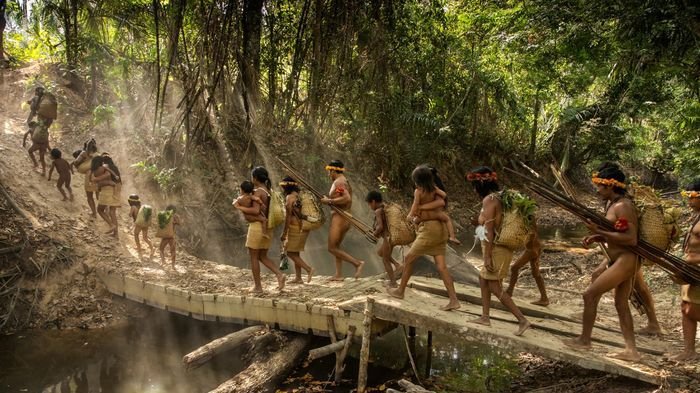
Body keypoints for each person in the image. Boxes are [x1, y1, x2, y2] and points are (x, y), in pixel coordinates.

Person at [563, 163, 641, 361]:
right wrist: (598, 238)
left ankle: (584, 340)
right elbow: (615, 234)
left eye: (600, 186)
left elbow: (631, 239)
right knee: (621, 304)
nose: (597, 190)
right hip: (618, 258)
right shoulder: (611, 205)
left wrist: (599, 232)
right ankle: (631, 351)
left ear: (611, 186)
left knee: (589, 295)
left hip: (626, 259)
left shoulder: (624, 206)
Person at [466, 167, 531, 336]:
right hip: (498, 247)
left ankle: (522, 320)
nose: (473, 189)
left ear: (479, 185)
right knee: (483, 279)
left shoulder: (489, 199)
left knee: (494, 286)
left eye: (474, 185)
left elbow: (489, 230)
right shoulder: (500, 197)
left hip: (495, 248)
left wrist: (487, 256)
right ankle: (485, 317)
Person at [387, 165, 461, 311]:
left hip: (429, 231)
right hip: (439, 230)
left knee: (408, 259)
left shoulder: (419, 191)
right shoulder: (435, 190)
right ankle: (454, 300)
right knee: (441, 266)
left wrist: (409, 216)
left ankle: (400, 291)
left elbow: (415, 207)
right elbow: (442, 200)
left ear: (416, 180)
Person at [234, 166, 286, 293]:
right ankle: (279, 274)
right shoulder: (268, 190)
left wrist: (239, 207)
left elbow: (256, 210)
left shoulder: (258, 192)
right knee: (262, 256)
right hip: (267, 227)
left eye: (253, 177)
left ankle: (258, 287)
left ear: (255, 178)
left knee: (253, 257)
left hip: (257, 227)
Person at [670, 180, 700, 361]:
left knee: (693, 310)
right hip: (692, 272)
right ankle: (689, 351)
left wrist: (692, 259)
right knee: (686, 308)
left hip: (696, 269)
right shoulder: (697, 217)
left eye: (693, 197)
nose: (689, 201)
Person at [320, 160, 365, 281]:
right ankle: (338, 274)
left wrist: (328, 201)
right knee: (336, 247)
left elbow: (346, 198)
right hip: (344, 217)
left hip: (340, 218)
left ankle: (357, 263)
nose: (329, 174)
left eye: (330, 172)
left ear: (333, 170)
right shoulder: (344, 181)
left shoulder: (339, 182)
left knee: (331, 248)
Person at [409, 167, 461, 245]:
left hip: (423, 215)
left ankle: (417, 235)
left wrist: (410, 214)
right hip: (436, 214)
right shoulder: (434, 188)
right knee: (447, 219)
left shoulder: (417, 191)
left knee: (415, 222)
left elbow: (415, 204)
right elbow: (444, 195)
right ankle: (452, 237)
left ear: (417, 181)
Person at [505, 222, 550, 306]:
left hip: (531, 249)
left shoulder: (528, 217)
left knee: (514, 268)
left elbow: (532, 232)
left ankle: (509, 292)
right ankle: (544, 298)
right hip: (536, 247)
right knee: (536, 273)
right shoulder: (525, 216)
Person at [279, 177, 314, 284]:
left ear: (287, 186)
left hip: (295, 227)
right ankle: (298, 278)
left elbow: (288, 217)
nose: (283, 189)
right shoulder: (299, 195)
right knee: (295, 253)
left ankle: (309, 269)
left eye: (283, 187)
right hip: (303, 227)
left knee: (290, 253)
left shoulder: (289, 197)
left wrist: (284, 233)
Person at [366, 190, 402, 287]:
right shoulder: (386, 206)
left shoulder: (378, 211)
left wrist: (374, 233)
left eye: (370, 204)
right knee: (380, 253)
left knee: (385, 260)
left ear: (373, 202)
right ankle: (397, 265)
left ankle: (393, 283)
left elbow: (380, 227)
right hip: (393, 237)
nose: (370, 207)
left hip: (388, 238)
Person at [92, 154, 122, 237]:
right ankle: (116, 234)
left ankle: (112, 226)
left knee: (101, 209)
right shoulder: (114, 167)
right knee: (112, 212)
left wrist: (97, 181)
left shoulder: (104, 166)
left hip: (109, 189)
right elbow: (116, 179)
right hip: (118, 188)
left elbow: (106, 177)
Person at [72, 138, 99, 218]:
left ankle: (94, 213)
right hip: (99, 174)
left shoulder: (84, 153)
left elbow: (76, 162)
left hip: (89, 175)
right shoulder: (97, 154)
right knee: (99, 196)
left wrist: (77, 165)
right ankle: (105, 211)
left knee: (89, 196)